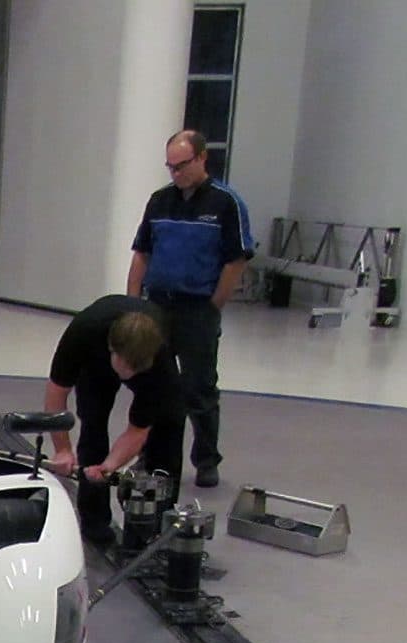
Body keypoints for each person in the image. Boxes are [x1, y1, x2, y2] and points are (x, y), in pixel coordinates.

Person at [127, 129, 253, 488]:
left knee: (199, 386)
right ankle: (150, 454)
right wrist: (133, 303)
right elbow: (142, 253)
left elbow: (236, 261)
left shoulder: (226, 203)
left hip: (197, 308)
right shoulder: (159, 201)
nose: (176, 173)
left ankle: (206, 459)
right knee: (154, 383)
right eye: (170, 167)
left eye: (182, 165)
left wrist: (213, 305)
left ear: (201, 158)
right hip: (158, 306)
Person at [45, 295, 185, 546]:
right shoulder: (84, 332)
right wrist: (62, 449)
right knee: (93, 424)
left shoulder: (159, 362)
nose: (129, 375)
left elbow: (138, 430)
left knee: (168, 427)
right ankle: (94, 519)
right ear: (112, 349)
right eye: (126, 367)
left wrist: (109, 467)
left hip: (152, 367)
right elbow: (56, 393)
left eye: (136, 370)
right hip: (95, 364)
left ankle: (156, 523)